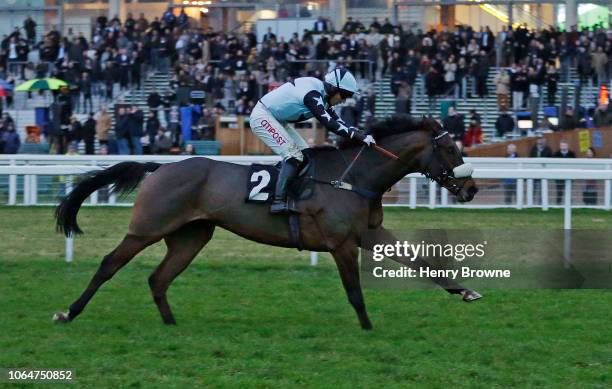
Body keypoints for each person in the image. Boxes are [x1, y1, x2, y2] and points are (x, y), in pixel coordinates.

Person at [249, 67, 374, 214]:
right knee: (294, 156)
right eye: (344, 95)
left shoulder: (323, 96)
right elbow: (329, 123)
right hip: (263, 116)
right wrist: (355, 136)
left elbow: (338, 121)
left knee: (306, 155)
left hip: (277, 119)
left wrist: (358, 132)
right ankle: (277, 202)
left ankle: (285, 190)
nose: (344, 100)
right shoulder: (313, 95)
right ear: (333, 89)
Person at [553, 140, 576, 204]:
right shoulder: (556, 154)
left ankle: (570, 204)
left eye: (564, 145)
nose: (563, 147)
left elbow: (574, 164)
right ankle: (558, 205)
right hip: (559, 176)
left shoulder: (572, 154)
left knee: (569, 191)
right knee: (559, 191)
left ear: (567, 146)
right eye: (562, 145)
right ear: (560, 146)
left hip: (569, 175)